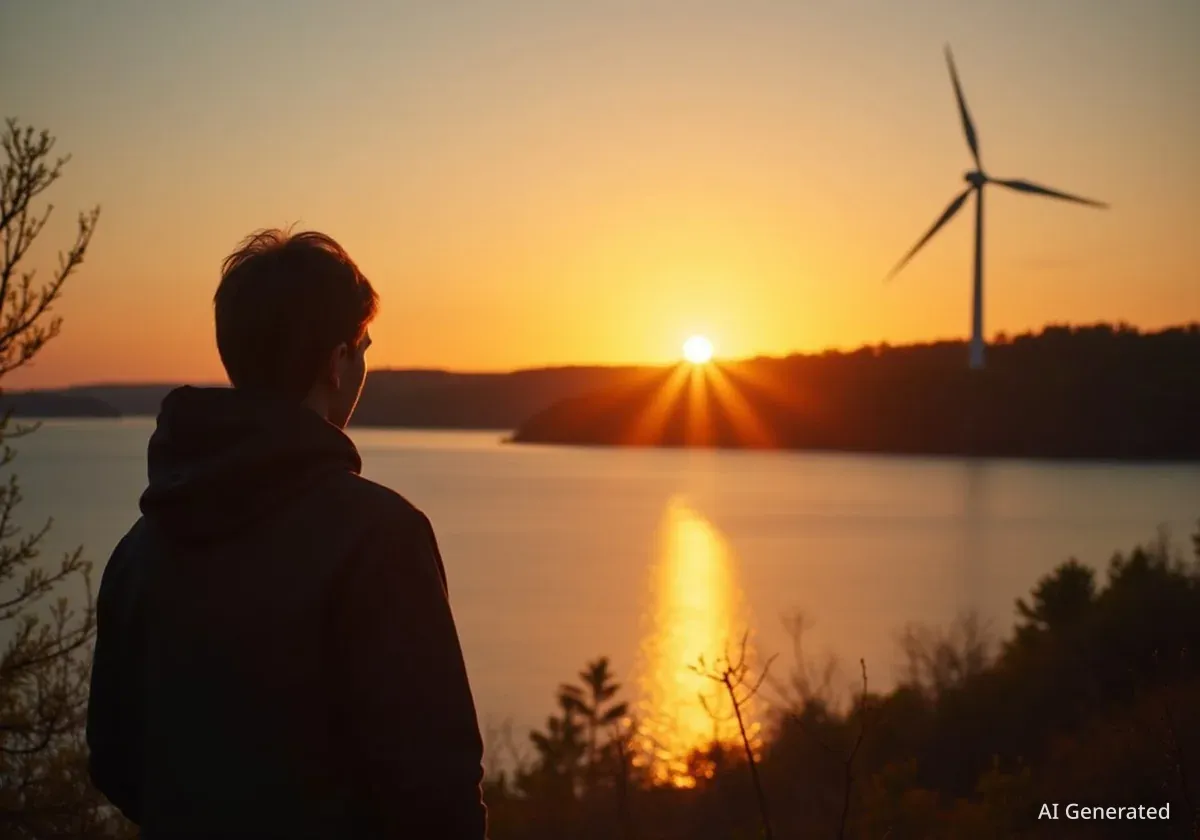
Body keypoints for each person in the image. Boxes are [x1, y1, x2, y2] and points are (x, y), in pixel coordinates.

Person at [87, 229, 488, 838]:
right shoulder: (379, 537)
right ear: (336, 362)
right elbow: (437, 791)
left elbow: (116, 763)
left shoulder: (140, 548)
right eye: (362, 350)